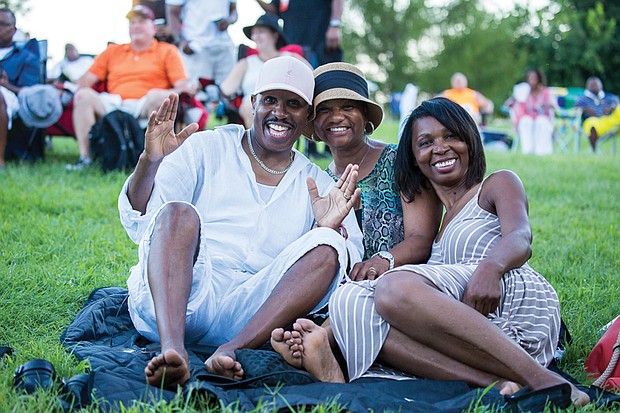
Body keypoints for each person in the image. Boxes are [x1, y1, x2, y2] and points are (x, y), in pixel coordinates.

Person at [272, 97, 590, 408]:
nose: (439, 148)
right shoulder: (438, 233)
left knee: (393, 286)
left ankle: (545, 380)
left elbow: (521, 236)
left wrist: (491, 268)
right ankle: (493, 383)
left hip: (509, 299)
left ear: (470, 140)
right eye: (425, 143)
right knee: (350, 302)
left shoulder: (495, 185)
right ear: (414, 157)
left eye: (450, 136)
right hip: (470, 328)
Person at [118, 55, 363, 389]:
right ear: (253, 103)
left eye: (293, 104)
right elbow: (143, 222)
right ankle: (173, 350)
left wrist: (325, 230)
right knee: (178, 212)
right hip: (181, 297)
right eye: (270, 101)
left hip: (255, 312)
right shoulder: (207, 146)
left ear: (306, 115)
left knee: (331, 245)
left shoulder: (316, 181)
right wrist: (150, 161)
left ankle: (231, 350)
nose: (280, 112)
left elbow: (347, 259)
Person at [303, 62, 440, 279]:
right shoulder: (321, 182)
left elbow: (422, 238)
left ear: (365, 115)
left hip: (401, 286)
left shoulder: (400, 160)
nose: (337, 117)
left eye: (348, 107)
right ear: (314, 122)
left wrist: (382, 259)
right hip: (341, 293)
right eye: (324, 110)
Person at [68, 5, 195, 170]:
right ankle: (85, 158)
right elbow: (85, 82)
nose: (135, 26)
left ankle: (157, 162)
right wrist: (67, 75)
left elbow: (181, 86)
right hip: (114, 102)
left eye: (141, 21)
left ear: (153, 27)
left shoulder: (167, 51)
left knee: (160, 97)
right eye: (132, 22)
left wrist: (165, 93)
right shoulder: (113, 51)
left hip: (146, 103)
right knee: (83, 95)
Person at [255, 0, 344, 159]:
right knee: (296, 97)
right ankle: (310, 144)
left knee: (323, 92)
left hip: (319, 41)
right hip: (293, 44)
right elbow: (274, 10)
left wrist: (335, 24)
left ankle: (329, 143)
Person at [219, 13, 308, 128]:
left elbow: (313, 79)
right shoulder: (246, 63)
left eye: (261, 31)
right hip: (253, 107)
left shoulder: (291, 58)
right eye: (254, 33)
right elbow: (226, 90)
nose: (256, 36)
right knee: (250, 105)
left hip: (286, 103)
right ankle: (258, 144)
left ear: (275, 35)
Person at [0, 7, 40, 170]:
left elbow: (30, 90)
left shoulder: (26, 56)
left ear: (13, 29)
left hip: (10, 97)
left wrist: (5, 85)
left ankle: (0, 160)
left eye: (1, 24)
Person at [166, 0, 237, 85]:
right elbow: (173, 13)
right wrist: (181, 42)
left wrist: (228, 20)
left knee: (229, 91)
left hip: (224, 46)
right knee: (197, 92)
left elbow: (234, 10)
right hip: (196, 47)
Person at [504, 68, 557, 155]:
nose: (532, 81)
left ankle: (542, 151)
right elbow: (508, 103)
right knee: (526, 121)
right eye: (530, 78)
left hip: (542, 119)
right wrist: (513, 100)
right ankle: (527, 150)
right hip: (526, 119)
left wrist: (545, 105)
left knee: (541, 121)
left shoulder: (545, 92)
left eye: (534, 78)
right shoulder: (523, 91)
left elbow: (553, 105)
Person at [575, 76, 619, 151]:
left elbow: (617, 101)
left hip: (606, 121)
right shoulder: (583, 98)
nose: (595, 87)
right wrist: (586, 110)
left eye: (596, 85)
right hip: (590, 121)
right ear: (587, 86)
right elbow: (576, 108)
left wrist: (611, 108)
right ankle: (594, 150)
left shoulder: (608, 97)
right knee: (592, 123)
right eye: (592, 85)